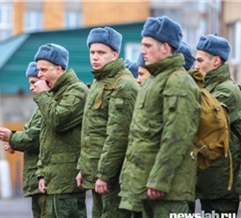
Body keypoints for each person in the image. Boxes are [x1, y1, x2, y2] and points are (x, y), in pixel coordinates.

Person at [119, 16, 201, 218]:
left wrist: (159, 179)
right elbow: (140, 136)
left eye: (147, 45)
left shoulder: (178, 82)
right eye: (142, 45)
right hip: (147, 185)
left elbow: (177, 137)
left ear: (165, 47)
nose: (142, 50)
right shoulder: (153, 80)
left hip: (168, 191)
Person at [76, 26, 140, 218]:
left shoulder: (123, 85)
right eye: (92, 52)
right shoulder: (98, 82)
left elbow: (117, 136)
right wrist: (83, 169)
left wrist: (105, 175)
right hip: (96, 174)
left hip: (112, 176)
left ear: (115, 54)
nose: (95, 57)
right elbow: (90, 131)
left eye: (101, 52)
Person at [32, 43, 88, 218]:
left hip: (67, 182)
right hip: (52, 181)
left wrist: (42, 95)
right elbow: (46, 138)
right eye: (38, 70)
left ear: (59, 68)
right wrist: (41, 174)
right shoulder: (53, 93)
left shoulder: (76, 91)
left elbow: (57, 121)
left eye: (44, 70)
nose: (39, 75)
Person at [194, 34, 241, 214]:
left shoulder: (226, 91)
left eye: (200, 60)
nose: (196, 65)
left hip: (222, 185)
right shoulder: (207, 87)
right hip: (210, 180)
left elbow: (202, 121)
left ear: (215, 61)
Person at [0, 62, 47, 218]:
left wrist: (11, 137)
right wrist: (13, 142)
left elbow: (34, 137)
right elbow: (28, 133)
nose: (31, 87)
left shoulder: (47, 105)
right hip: (37, 180)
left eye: (34, 82)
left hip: (44, 180)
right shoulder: (41, 107)